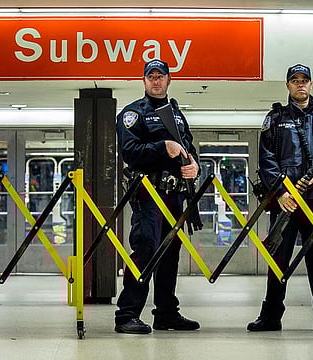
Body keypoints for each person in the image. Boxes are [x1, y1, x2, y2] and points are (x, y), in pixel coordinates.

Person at [247, 64, 313, 332]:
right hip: (287, 201)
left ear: (311, 85)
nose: (300, 84)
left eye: (305, 80)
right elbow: (266, 158)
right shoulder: (276, 118)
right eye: (295, 80)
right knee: (277, 257)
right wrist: (280, 193)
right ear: (288, 86)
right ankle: (270, 317)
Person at [114, 59, 200, 334]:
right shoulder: (132, 114)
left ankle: (166, 314)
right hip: (148, 193)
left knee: (170, 253)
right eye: (151, 76)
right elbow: (130, 152)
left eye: (160, 76)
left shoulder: (176, 114)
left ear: (168, 80)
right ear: (143, 81)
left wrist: (194, 164)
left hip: (175, 194)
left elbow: (188, 147)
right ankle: (127, 314)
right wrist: (162, 147)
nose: (156, 80)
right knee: (146, 250)